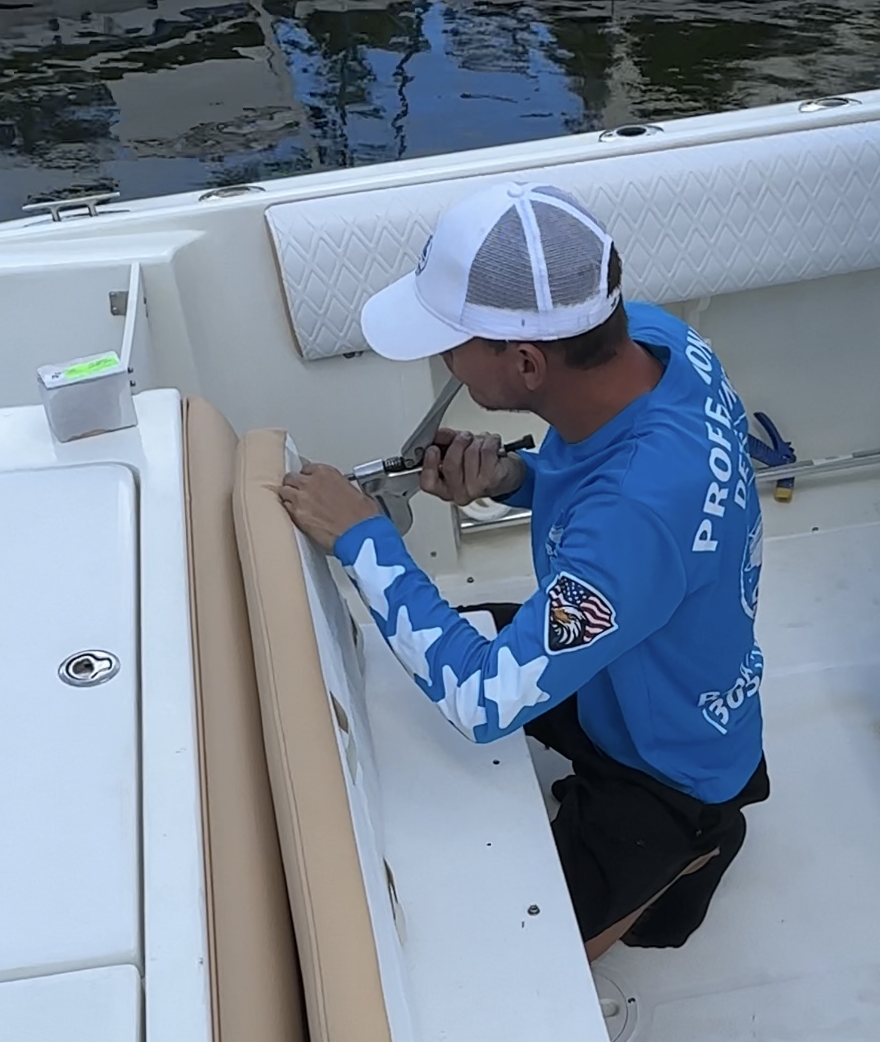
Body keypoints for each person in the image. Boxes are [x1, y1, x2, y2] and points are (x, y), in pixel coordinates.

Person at [280, 179, 769, 961]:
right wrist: (513, 478)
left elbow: (484, 701)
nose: (444, 361)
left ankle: (695, 847)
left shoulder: (636, 517)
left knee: (525, 954)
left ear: (529, 362)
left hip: (669, 766)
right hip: (645, 663)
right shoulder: (659, 341)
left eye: (452, 345)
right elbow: (619, 489)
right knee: (458, 642)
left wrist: (363, 537)